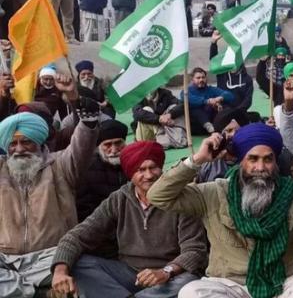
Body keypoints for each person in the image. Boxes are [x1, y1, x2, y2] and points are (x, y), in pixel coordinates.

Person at [147, 123, 293, 298]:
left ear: (275, 163)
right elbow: (158, 196)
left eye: (267, 159)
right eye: (252, 159)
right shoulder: (214, 193)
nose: (260, 167)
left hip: (282, 282)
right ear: (240, 161)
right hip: (230, 285)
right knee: (191, 293)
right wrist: (197, 160)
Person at [51, 142, 207, 298]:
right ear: (130, 173)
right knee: (80, 263)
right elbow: (77, 236)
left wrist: (166, 271)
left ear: (161, 168)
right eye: (141, 170)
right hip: (129, 274)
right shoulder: (119, 199)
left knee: (189, 283)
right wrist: (59, 272)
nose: (149, 175)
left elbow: (194, 250)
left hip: (169, 275)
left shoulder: (181, 198)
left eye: (153, 167)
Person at [0, 97, 100, 297]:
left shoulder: (60, 165)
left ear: (39, 141)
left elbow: (81, 149)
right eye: (13, 143)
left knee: (79, 266)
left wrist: (87, 123)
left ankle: (17, 290)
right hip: (5, 260)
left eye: (26, 142)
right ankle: (37, 292)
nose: (19, 149)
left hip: (51, 257)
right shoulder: (2, 168)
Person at [75, 119, 129, 222]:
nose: (114, 150)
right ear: (99, 146)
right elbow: (85, 209)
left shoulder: (134, 163)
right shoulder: (87, 170)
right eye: (108, 145)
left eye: (118, 143)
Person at [195, 107, 249, 183]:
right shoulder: (209, 163)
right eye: (223, 133)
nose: (229, 136)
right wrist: (198, 158)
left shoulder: (254, 160)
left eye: (231, 130)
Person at [181, 67, 235, 134]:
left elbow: (230, 96)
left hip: (212, 125)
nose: (201, 80)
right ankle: (207, 124)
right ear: (192, 79)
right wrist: (207, 101)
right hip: (195, 126)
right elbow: (188, 99)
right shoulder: (187, 91)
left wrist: (219, 99)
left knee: (225, 106)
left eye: (203, 77)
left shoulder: (211, 89)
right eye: (198, 78)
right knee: (194, 107)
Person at [210, 30, 254, 111]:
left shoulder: (247, 79)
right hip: (223, 112)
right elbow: (214, 61)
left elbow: (248, 101)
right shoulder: (222, 74)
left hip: (240, 113)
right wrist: (213, 43)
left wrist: (237, 113)